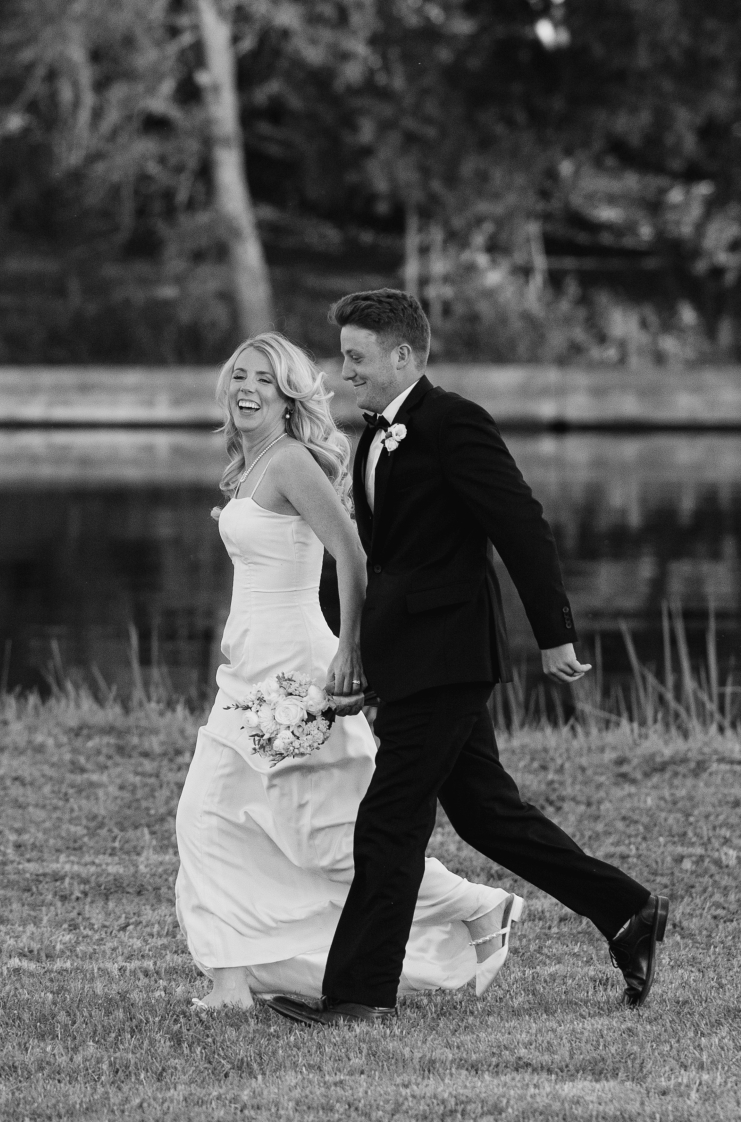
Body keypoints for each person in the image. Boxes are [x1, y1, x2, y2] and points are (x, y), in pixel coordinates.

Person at [267, 289, 667, 1027]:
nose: (344, 371)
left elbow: (521, 524)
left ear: (403, 356)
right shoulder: (373, 437)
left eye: (356, 357)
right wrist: (346, 648)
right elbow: (368, 558)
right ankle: (628, 910)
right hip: (408, 658)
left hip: (450, 657)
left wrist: (555, 634)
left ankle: (359, 995)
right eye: (344, 356)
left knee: (389, 821)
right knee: (487, 815)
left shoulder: (455, 423)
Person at [175, 331, 524, 1011]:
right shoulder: (250, 464)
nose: (248, 388)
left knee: (322, 838)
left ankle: (476, 905)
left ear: (288, 395)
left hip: (293, 668)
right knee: (218, 819)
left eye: (265, 380)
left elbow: (354, 558)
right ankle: (231, 980)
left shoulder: (292, 463)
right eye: (240, 375)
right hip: (246, 665)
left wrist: (350, 650)